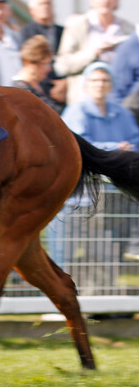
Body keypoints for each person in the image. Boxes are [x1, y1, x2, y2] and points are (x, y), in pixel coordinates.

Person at [47, 62, 139, 296]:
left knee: (102, 250)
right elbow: (78, 147)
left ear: (111, 85)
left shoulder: (122, 113)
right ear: (86, 84)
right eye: (95, 80)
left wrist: (119, 151)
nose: (100, 85)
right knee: (64, 250)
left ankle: (99, 299)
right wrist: (115, 149)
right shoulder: (77, 111)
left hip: (111, 197)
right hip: (77, 196)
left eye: (105, 80)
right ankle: (54, 300)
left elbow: (135, 142)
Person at [55, 0, 134, 105]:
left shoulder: (128, 30)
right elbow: (63, 65)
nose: (105, 0)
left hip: (119, 103)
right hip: (84, 101)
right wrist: (94, 52)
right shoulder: (78, 27)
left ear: (117, 1)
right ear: (92, 0)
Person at [12, 35, 62, 113]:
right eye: (46, 64)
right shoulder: (20, 91)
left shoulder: (43, 85)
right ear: (30, 62)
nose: (49, 69)